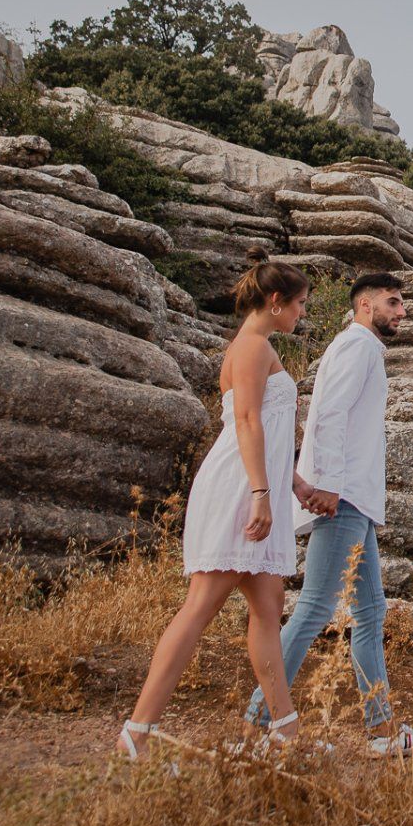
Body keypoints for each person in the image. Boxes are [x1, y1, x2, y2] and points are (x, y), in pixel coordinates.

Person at [118, 250, 326, 760]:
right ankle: (136, 733)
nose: (302, 314)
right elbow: (248, 423)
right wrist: (261, 494)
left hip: (259, 486)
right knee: (200, 608)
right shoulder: (252, 347)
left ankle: (286, 735)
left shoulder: (256, 345)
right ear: (275, 302)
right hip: (240, 490)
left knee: (268, 612)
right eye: (299, 304)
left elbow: (263, 429)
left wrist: (293, 483)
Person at [244, 271, 413, 756]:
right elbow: (329, 412)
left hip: (355, 499)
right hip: (345, 497)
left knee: (371, 612)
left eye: (402, 305)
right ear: (365, 306)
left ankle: (382, 734)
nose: (402, 312)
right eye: (393, 303)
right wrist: (329, 485)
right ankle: (255, 728)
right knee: (313, 609)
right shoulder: (356, 347)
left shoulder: (361, 349)